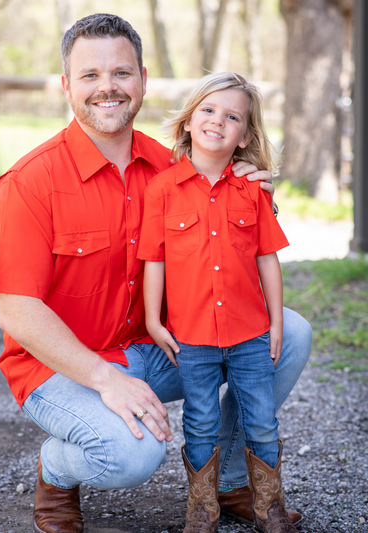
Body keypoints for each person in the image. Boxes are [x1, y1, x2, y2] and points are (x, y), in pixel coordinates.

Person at [0, 13, 312, 533]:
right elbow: (16, 310)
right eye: (90, 75)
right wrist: (104, 378)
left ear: (142, 81)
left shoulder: (176, 169)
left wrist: (255, 192)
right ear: (67, 85)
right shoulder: (30, 183)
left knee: (288, 334)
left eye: (122, 73)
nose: (107, 87)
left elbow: (238, 251)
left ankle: (228, 482)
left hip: (160, 349)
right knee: (129, 456)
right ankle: (56, 468)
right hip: (63, 369)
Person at [138, 72, 302, 533]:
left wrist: (275, 322)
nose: (218, 121)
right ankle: (202, 512)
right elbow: (154, 260)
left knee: (262, 421)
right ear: (189, 121)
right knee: (201, 421)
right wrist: (153, 320)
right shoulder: (163, 190)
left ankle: (270, 510)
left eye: (232, 116)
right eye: (208, 110)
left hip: (250, 334)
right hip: (192, 338)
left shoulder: (253, 190)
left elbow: (268, 259)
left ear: (245, 135)